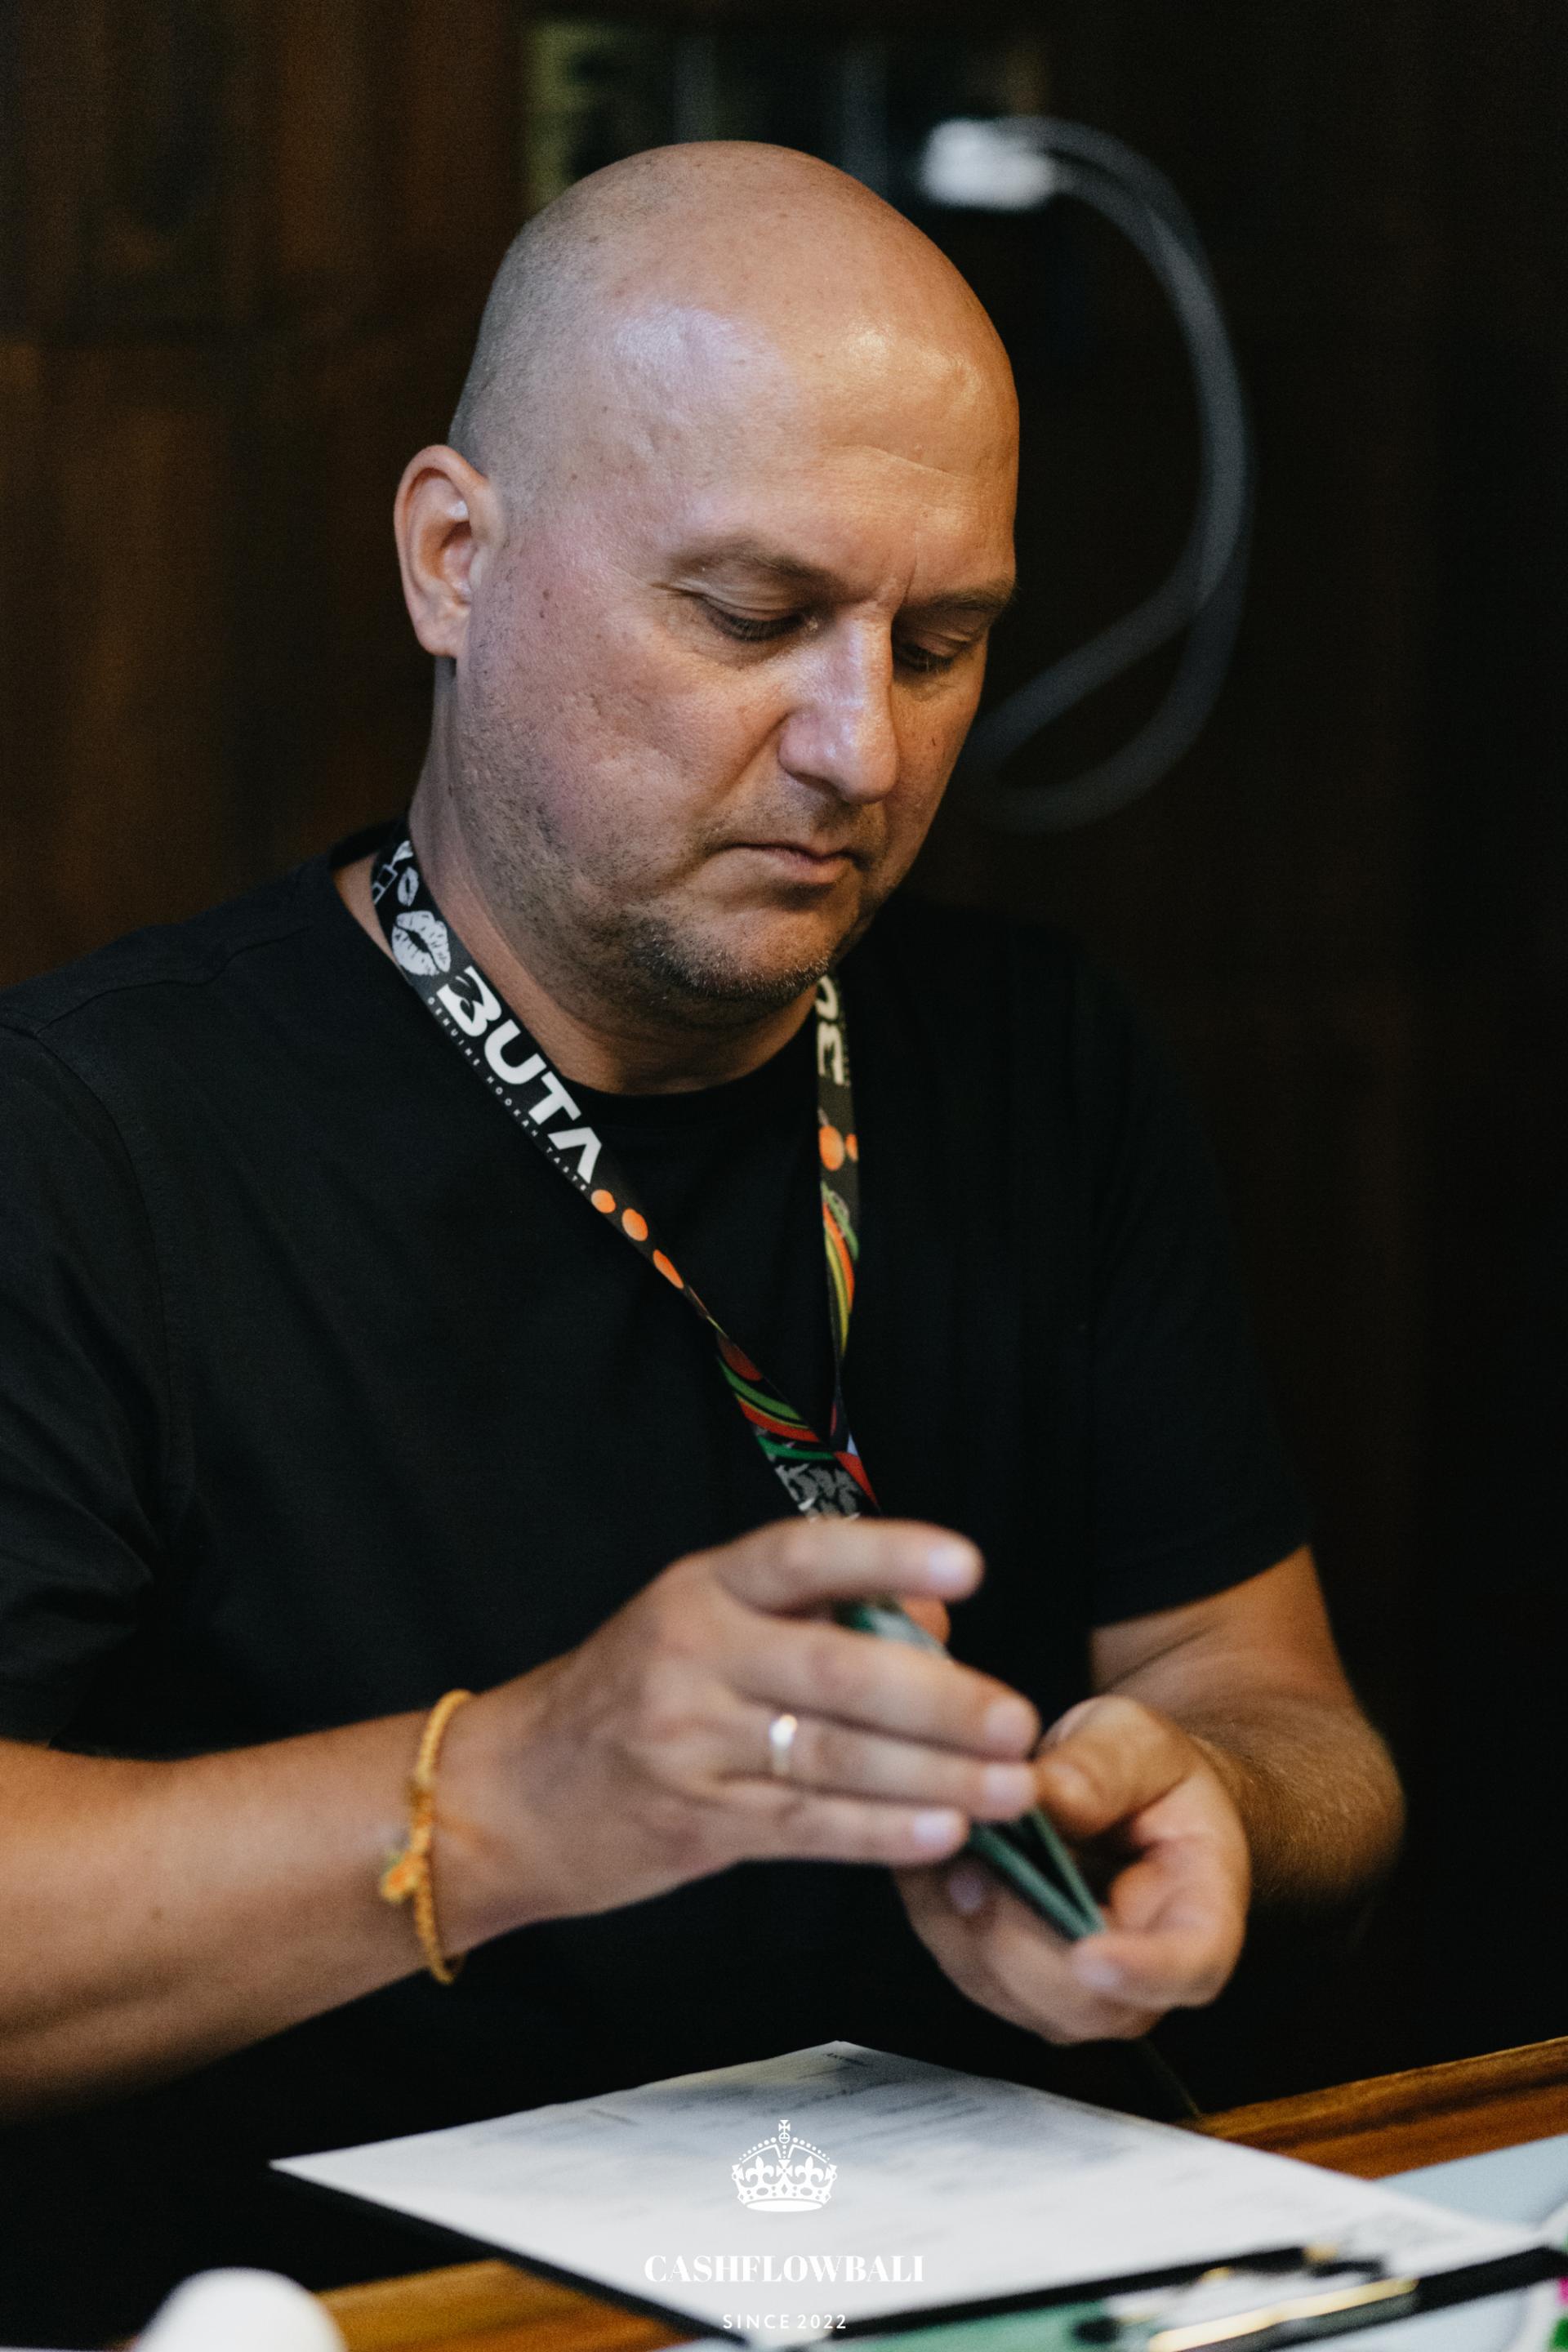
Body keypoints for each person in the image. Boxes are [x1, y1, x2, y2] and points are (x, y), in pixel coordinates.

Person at [0, 143, 1402, 2336]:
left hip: (980, 2275)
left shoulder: (1039, 1057)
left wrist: (1203, 1797)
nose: (861, 749)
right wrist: (515, 1796)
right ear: (454, 558)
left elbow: (1283, 1707)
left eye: (940, 645)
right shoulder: (88, 1144)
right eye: (753, 618)